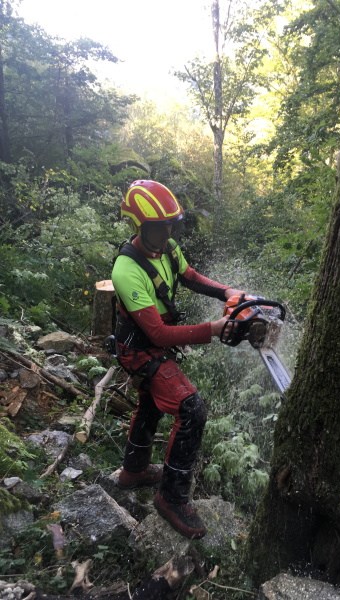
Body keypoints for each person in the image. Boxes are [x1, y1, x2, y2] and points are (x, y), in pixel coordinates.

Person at [111, 179, 245, 540]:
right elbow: (156, 335)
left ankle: (134, 470)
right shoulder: (126, 269)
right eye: (160, 226)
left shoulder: (167, 247)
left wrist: (227, 291)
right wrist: (213, 329)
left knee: (151, 402)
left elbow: (190, 277)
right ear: (140, 226)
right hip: (139, 348)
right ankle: (171, 497)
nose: (168, 231)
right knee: (191, 409)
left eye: (171, 224)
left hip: (153, 342)